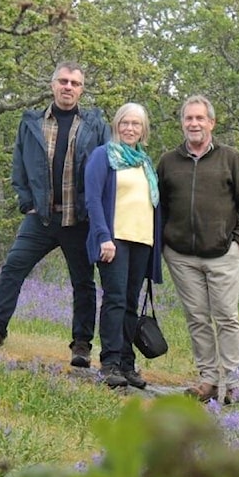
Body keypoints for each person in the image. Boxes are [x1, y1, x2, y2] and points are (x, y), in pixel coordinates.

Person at [0, 61, 111, 370]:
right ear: (53, 85)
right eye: (63, 81)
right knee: (13, 267)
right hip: (41, 217)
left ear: (82, 89)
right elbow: (18, 163)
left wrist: (98, 213)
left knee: (83, 283)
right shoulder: (31, 121)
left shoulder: (96, 124)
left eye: (74, 83)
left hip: (79, 218)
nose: (68, 87)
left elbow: (105, 169)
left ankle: (81, 345)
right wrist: (26, 201)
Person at [156, 95, 239, 404]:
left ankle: (235, 380)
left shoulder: (231, 158)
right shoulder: (168, 161)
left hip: (222, 252)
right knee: (197, 318)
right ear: (182, 123)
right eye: (189, 118)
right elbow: (158, 205)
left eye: (200, 118)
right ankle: (208, 379)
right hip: (181, 255)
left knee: (226, 315)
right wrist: (162, 244)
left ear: (211, 122)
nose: (194, 124)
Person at [84, 103, 163, 388]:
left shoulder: (144, 162)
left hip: (142, 240)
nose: (130, 128)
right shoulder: (103, 156)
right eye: (125, 123)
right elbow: (92, 199)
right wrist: (103, 236)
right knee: (115, 300)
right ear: (117, 125)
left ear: (143, 130)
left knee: (131, 303)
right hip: (114, 240)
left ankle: (127, 364)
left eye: (136, 124)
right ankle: (109, 363)